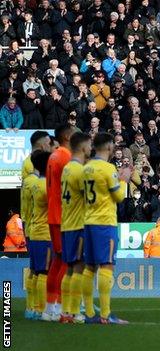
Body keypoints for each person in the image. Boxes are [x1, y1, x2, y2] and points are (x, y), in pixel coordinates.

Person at [81, 133, 128, 324]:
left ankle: (90, 313)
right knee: (107, 265)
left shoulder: (86, 168)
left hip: (88, 221)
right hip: (105, 222)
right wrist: (123, 179)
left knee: (90, 267)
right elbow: (119, 197)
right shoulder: (108, 169)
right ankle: (105, 314)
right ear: (109, 148)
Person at [58, 132, 92, 324]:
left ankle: (66, 312)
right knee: (78, 267)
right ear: (82, 147)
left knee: (70, 268)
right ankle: (74, 311)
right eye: (88, 146)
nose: (90, 149)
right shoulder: (80, 171)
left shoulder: (68, 168)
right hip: (78, 223)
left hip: (67, 223)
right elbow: (90, 196)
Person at [43, 124, 74, 322]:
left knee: (58, 261)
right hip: (63, 216)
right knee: (65, 262)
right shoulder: (65, 156)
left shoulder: (54, 155)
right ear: (69, 137)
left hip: (55, 213)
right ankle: (60, 309)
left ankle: (50, 307)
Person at [28, 150, 52, 321]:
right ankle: (42, 309)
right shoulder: (46, 186)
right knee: (44, 271)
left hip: (35, 230)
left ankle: (34, 308)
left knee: (36, 271)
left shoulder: (35, 183)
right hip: (45, 233)